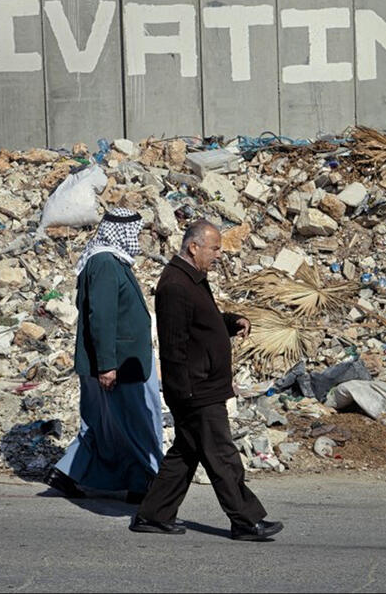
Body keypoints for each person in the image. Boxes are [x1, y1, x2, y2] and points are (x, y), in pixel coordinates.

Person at [131, 220, 285, 541]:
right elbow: (173, 345)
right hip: (196, 390)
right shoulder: (175, 285)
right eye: (214, 248)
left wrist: (231, 322)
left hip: (200, 387)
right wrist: (187, 390)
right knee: (222, 456)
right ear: (193, 247)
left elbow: (205, 322)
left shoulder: (193, 280)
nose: (218, 254)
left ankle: (152, 515)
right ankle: (246, 520)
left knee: (185, 454)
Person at [45, 208, 164, 505]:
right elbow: (102, 317)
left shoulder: (108, 261)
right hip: (118, 364)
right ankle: (146, 480)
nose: (136, 239)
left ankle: (73, 474)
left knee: (104, 424)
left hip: (117, 361)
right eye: (134, 232)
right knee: (134, 423)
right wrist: (108, 366)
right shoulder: (105, 263)